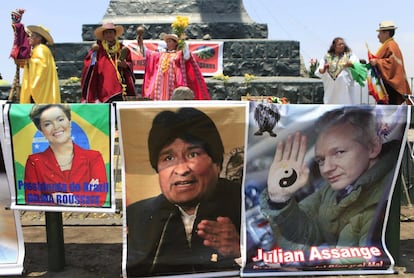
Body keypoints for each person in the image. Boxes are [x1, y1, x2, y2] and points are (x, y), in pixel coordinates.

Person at [259, 107, 402, 258]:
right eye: (321, 160)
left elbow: (361, 260)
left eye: (339, 153)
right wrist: (279, 200)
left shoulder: (383, 196)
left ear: (373, 147)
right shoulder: (331, 191)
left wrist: (306, 259)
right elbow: (305, 235)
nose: (327, 168)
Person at [126, 108, 240, 276]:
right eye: (168, 158)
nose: (181, 169)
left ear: (217, 162)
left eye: (192, 154)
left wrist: (240, 251)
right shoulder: (137, 215)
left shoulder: (248, 203)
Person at [23, 104, 108, 207]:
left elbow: (99, 198)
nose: (56, 127)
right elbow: (32, 200)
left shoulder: (93, 157)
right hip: (51, 219)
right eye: (47, 124)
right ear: (42, 131)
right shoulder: (34, 161)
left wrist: (57, 198)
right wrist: (84, 196)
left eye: (60, 120)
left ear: (70, 122)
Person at [137, 27, 210, 100]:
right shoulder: (161, 54)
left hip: (174, 83)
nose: (167, 44)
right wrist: (141, 43)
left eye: (169, 41)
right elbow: (148, 53)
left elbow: (187, 55)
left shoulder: (179, 54)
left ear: (175, 43)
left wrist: (182, 41)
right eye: (167, 42)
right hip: (160, 85)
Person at [80, 22, 136, 103]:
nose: (108, 35)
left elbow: (129, 63)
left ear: (115, 34)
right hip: (103, 83)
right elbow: (88, 64)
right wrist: (94, 56)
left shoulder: (122, 48)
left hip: (119, 84)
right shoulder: (98, 48)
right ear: (103, 35)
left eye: (111, 32)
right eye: (106, 33)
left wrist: (125, 65)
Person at [369, 21, 411, 105]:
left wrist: (377, 62)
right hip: (387, 86)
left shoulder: (391, 45)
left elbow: (392, 64)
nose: (378, 36)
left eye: (380, 33)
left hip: (391, 88)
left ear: (386, 33)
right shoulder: (388, 45)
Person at [20, 25, 60, 104]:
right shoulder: (38, 49)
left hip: (39, 89)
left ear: (39, 38)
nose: (29, 38)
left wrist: (28, 61)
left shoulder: (40, 49)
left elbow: (41, 67)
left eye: (32, 36)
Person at [315, 37, 361, 104]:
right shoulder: (327, 57)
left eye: (343, 44)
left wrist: (350, 64)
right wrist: (325, 68)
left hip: (345, 86)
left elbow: (357, 65)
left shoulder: (350, 55)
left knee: (346, 104)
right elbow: (320, 71)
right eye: (340, 44)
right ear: (334, 46)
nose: (342, 46)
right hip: (330, 87)